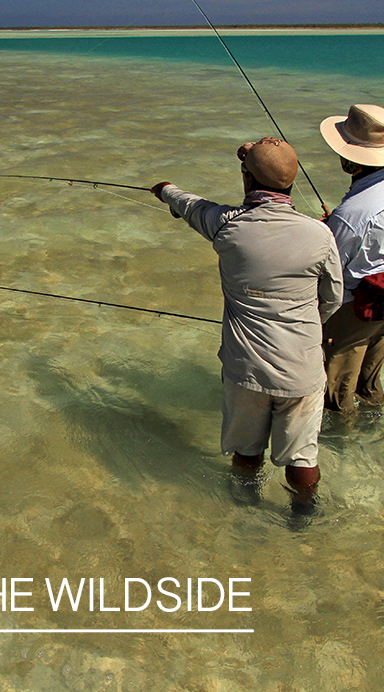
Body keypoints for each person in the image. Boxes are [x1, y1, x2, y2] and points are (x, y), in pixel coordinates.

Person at [150, 138, 343, 513]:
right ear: (292, 180)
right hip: (302, 369)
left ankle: (244, 509)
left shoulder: (228, 226)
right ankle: (304, 517)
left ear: (246, 179)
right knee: (303, 457)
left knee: (246, 452)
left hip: (245, 369)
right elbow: (333, 297)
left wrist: (164, 190)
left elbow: (189, 204)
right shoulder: (320, 235)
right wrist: (307, 328)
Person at [318, 104, 384, 414]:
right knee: (369, 385)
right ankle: (377, 432)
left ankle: (345, 451)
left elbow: (330, 268)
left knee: (337, 397)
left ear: (349, 156)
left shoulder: (350, 215)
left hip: (356, 309)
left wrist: (332, 229)